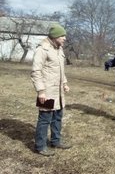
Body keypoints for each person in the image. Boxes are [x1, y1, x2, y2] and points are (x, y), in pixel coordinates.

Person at [31, 24, 71, 156]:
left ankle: (56, 141)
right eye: (62, 36)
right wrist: (41, 91)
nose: (65, 38)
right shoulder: (42, 49)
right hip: (47, 92)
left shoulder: (59, 49)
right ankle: (40, 146)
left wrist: (64, 83)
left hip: (58, 92)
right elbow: (36, 72)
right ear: (54, 36)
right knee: (44, 119)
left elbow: (60, 70)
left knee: (58, 117)